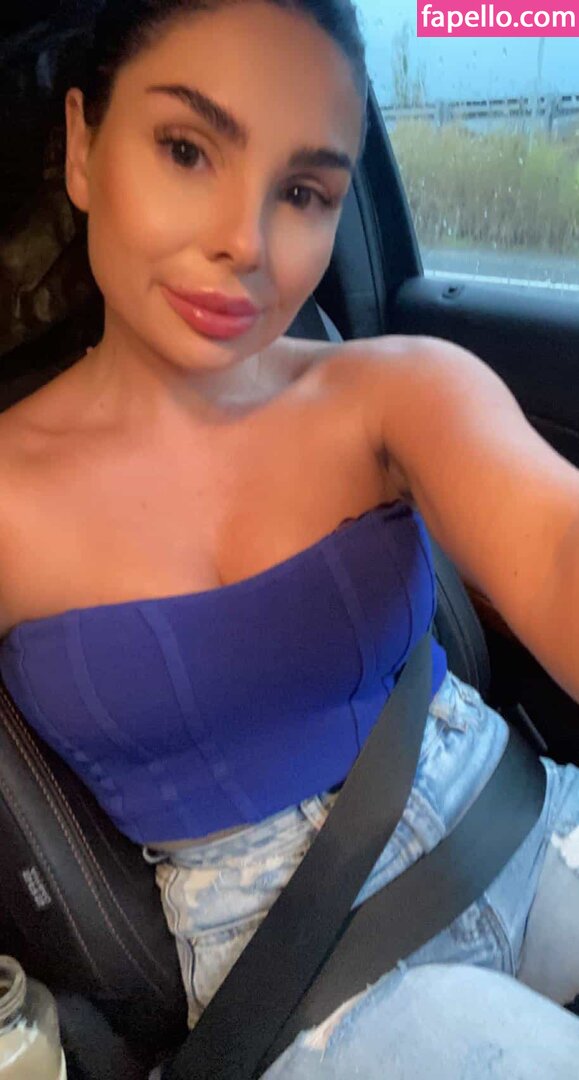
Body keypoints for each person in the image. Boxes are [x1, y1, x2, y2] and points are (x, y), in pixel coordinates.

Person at [0, 1, 579, 1076]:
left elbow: (555, 547)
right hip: (299, 987)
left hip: (526, 825)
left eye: (305, 191)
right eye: (187, 150)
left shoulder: (397, 389)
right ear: (82, 145)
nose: (248, 242)